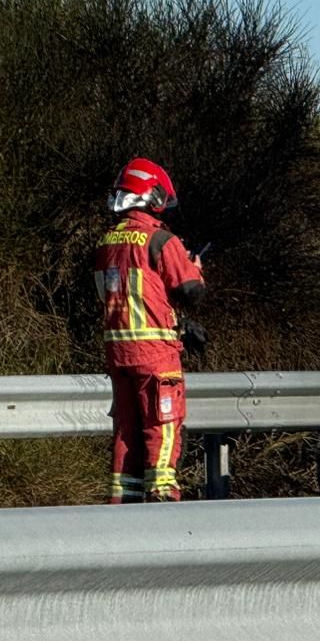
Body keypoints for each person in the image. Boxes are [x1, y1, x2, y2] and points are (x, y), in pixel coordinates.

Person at [93, 158, 206, 503]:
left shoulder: (107, 242)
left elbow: (140, 296)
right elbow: (190, 290)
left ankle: (122, 505)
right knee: (163, 425)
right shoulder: (159, 239)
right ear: (151, 195)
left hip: (118, 353)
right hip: (155, 355)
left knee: (126, 432)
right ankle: (162, 500)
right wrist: (195, 267)